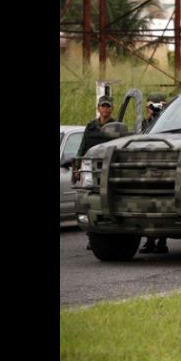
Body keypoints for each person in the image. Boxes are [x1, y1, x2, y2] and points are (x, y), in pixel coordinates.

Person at [76, 95, 117, 251]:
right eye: (102, 106)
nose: (105, 109)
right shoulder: (91, 127)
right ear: (98, 108)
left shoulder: (116, 126)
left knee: (105, 202)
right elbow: (83, 147)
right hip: (92, 171)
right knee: (89, 202)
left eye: (108, 106)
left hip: (108, 171)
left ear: (111, 109)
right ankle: (92, 236)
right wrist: (77, 167)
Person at [140, 92, 169, 254]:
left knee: (162, 204)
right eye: (151, 106)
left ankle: (162, 241)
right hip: (146, 167)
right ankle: (149, 240)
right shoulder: (144, 123)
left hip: (163, 167)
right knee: (147, 205)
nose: (153, 109)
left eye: (157, 106)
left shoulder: (170, 123)